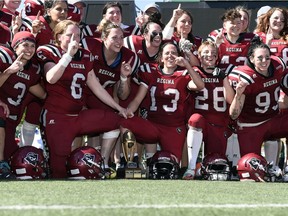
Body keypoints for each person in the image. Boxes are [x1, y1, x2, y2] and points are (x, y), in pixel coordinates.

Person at [36, 20, 127, 178]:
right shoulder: (49, 51)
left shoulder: (85, 55)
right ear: (58, 37)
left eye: (78, 36)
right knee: (59, 171)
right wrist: (68, 56)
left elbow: (96, 86)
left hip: (79, 116)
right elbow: (51, 78)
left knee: (115, 120)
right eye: (70, 35)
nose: (74, 39)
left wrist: (118, 108)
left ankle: (103, 163)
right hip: (57, 117)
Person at [120, 42, 204, 162]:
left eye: (174, 53)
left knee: (172, 164)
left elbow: (200, 86)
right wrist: (128, 111)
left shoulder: (184, 74)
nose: (170, 56)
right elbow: (137, 99)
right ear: (161, 57)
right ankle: (129, 162)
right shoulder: (151, 72)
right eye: (167, 53)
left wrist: (187, 65)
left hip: (173, 128)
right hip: (152, 125)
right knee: (125, 122)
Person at [81, 19, 140, 175]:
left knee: (113, 120)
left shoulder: (128, 57)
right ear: (103, 38)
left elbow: (123, 94)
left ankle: (103, 162)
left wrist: (123, 77)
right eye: (114, 37)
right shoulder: (90, 46)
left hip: (100, 96)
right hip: (79, 92)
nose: (119, 41)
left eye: (121, 37)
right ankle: (76, 161)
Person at [182, 41, 235, 180]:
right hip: (202, 122)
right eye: (205, 53)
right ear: (199, 56)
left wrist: (224, 78)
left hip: (219, 124)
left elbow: (230, 99)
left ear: (217, 57)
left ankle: (201, 167)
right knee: (195, 119)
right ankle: (191, 167)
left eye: (213, 53)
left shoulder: (226, 72)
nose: (209, 56)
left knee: (216, 162)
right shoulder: (196, 72)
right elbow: (194, 85)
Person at [228, 41, 288, 160]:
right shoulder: (245, 77)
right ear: (251, 59)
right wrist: (238, 94)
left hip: (274, 119)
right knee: (249, 167)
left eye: (267, 57)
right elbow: (234, 115)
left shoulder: (278, 65)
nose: (264, 61)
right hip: (251, 125)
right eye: (260, 58)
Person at [0, 31, 46, 176]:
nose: (29, 49)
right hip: (3, 114)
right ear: (15, 46)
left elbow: (42, 94)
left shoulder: (33, 68)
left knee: (11, 153)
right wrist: (8, 71)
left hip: (12, 121)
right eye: (25, 45)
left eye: (32, 46)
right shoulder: (5, 57)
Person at [254, 7, 288, 171]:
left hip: (285, 85)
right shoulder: (258, 37)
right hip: (266, 87)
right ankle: (270, 166)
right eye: (275, 18)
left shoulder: (287, 37)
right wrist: (266, 43)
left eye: (282, 19)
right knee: (269, 127)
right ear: (268, 19)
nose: (279, 22)